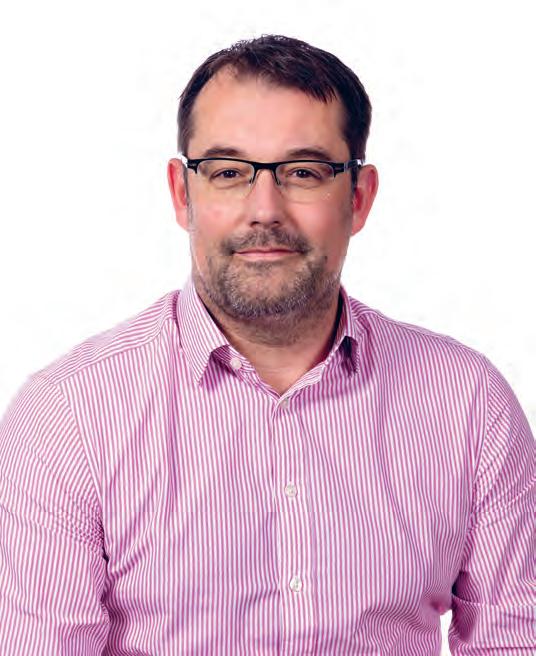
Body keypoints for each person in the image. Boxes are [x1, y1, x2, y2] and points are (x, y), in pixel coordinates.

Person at [0, 34, 534, 656]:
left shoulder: (469, 403)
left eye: (303, 172)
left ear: (358, 198)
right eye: (228, 173)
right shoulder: (67, 417)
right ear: (182, 194)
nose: (264, 210)